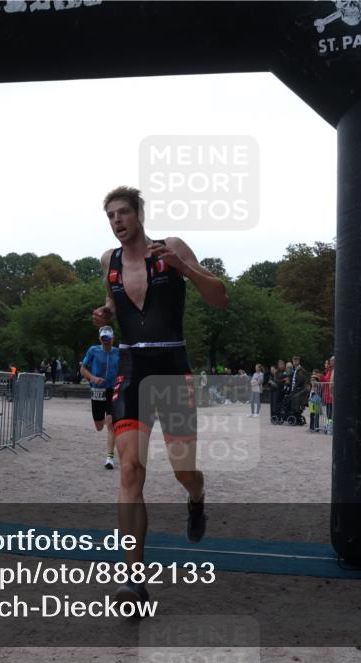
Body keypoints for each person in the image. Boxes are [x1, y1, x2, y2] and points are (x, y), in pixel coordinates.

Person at [92, 185, 228, 609]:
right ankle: (133, 579)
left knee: (183, 471)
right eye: (110, 215)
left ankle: (196, 497)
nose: (117, 222)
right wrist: (105, 316)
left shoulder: (171, 247)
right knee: (130, 470)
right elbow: (113, 307)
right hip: (132, 371)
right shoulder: (108, 262)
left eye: (122, 213)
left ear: (139, 214)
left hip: (172, 371)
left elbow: (220, 297)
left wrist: (184, 268)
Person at [81, 326, 121, 470]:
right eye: (103, 338)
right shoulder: (93, 350)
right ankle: (105, 418)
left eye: (108, 338)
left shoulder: (119, 352)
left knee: (110, 424)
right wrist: (92, 378)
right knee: (99, 426)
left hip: (113, 390)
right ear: (100, 339)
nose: (106, 341)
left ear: (112, 338)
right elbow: (83, 369)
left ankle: (109, 457)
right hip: (97, 390)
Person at [321, 356, 334, 434]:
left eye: (328, 362)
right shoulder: (328, 371)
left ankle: (330, 428)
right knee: (328, 413)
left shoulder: (333, 370)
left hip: (331, 395)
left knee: (330, 413)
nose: (327, 364)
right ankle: (329, 427)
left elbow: (328, 381)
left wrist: (321, 377)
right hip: (328, 395)